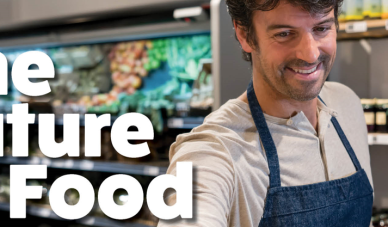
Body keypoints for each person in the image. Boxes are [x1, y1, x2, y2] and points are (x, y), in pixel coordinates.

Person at [158, 0, 374, 226]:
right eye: (285, 33)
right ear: (245, 35)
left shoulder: (347, 103)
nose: (310, 54)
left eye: (321, 28)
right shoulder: (215, 149)